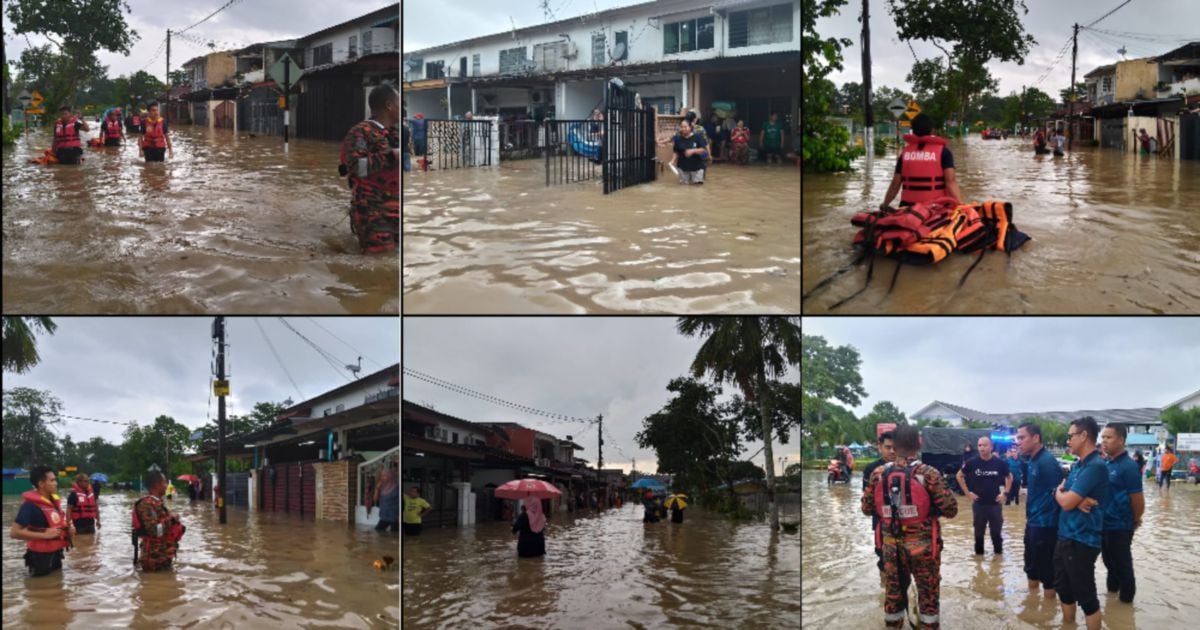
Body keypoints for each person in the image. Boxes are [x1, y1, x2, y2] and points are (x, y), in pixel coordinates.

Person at [862, 425, 958, 629]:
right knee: (928, 595)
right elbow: (951, 509)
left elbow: (867, 509)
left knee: (893, 595)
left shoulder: (878, 474)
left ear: (894, 446)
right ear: (919, 444)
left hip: (891, 547)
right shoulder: (928, 473)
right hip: (923, 549)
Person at [1054, 417, 1112, 630]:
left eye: (1070, 436)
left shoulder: (1095, 466)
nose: (1068, 440)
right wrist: (1066, 496)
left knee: (1086, 596)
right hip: (1066, 536)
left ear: (1084, 435)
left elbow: (1066, 500)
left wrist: (1065, 497)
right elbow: (1062, 490)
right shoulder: (1079, 465)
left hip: (1082, 539)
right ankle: (1068, 625)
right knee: (1064, 588)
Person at [338, 84, 401, 254]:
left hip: (395, 209)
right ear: (389, 105)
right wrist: (390, 156)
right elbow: (356, 167)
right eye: (399, 102)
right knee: (379, 256)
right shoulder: (360, 133)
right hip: (371, 207)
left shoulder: (396, 134)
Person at [878, 113, 964, 210]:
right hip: (935, 208)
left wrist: (885, 204)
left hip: (907, 207)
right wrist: (961, 205)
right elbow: (950, 182)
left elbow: (895, 184)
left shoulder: (905, 153)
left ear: (913, 131)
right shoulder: (944, 152)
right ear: (932, 130)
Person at [1017, 421, 1063, 599]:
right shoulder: (1032, 460)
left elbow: (1058, 492)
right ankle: (1033, 607)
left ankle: (1048, 616)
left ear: (1035, 438)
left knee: (1047, 574)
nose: (1018, 442)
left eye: (1022, 438)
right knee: (1031, 568)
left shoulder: (1047, 462)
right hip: (1033, 522)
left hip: (1046, 526)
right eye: (1017, 438)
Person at [1099, 424, 1143, 603]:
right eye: (1102, 438)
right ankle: (1111, 600)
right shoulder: (1107, 463)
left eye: (1108, 437)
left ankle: (1125, 606)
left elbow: (1138, 500)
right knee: (1109, 563)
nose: (1104, 441)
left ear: (1121, 441)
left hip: (1120, 525)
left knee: (1122, 565)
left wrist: (1134, 519)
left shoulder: (1129, 466)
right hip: (1105, 523)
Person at [863, 431, 909, 592]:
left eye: (895, 448)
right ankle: (886, 591)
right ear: (880, 448)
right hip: (882, 525)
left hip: (908, 525)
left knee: (909, 562)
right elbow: (867, 503)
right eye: (888, 447)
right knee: (884, 561)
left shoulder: (910, 468)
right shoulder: (871, 469)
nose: (892, 451)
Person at [11, 466, 74, 577]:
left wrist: (69, 529)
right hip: (39, 557)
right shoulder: (30, 506)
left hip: (56, 553)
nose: (56, 483)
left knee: (57, 587)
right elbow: (14, 533)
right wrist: (45, 535)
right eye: (52, 480)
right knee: (39, 589)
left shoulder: (53, 502)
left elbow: (56, 523)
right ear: (41, 484)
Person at [957, 436, 1012, 556]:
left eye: (984, 445)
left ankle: (998, 562)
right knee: (978, 535)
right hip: (979, 505)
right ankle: (979, 563)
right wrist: (967, 492)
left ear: (991, 447)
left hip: (995, 504)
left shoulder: (999, 463)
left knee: (996, 534)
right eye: (979, 445)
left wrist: (1005, 493)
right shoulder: (972, 462)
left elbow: (1009, 477)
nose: (981, 448)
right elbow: (959, 475)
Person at [133, 471, 186, 572]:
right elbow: (154, 531)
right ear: (157, 485)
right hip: (154, 560)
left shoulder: (157, 503)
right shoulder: (146, 504)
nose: (167, 486)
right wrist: (172, 518)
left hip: (163, 557)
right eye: (165, 482)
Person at [672, 121, 708, 185]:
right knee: (684, 187)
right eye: (682, 127)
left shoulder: (698, 136)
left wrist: (693, 151)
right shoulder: (677, 138)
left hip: (697, 167)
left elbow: (704, 149)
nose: (683, 129)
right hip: (683, 167)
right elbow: (676, 151)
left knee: (698, 188)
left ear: (690, 127)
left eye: (685, 127)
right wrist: (672, 161)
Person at [374, 468, 400, 532]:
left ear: (390, 476)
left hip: (394, 517)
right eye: (381, 476)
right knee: (378, 531)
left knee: (394, 535)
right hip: (384, 516)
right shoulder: (382, 487)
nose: (382, 478)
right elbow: (375, 499)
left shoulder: (397, 487)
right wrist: (377, 488)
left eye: (384, 476)